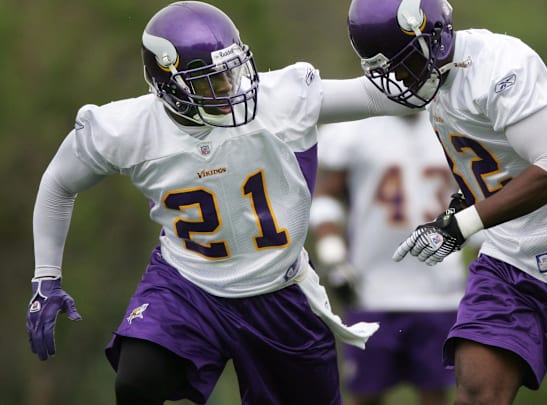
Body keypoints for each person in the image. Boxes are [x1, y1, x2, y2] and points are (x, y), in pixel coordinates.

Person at [25, 1, 422, 404]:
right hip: (188, 284)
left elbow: (385, 97)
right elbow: (59, 183)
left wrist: (437, 54)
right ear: (168, 86)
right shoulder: (124, 130)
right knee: (137, 382)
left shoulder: (281, 98)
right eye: (209, 82)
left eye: (231, 72)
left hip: (278, 289)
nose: (230, 89)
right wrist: (46, 277)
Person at [346, 0, 547, 404]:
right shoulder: (429, 77)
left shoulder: (501, 65)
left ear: (433, 37)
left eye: (403, 63)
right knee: (477, 391)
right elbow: (491, 170)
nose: (399, 78)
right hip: (510, 257)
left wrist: (462, 225)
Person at [310, 111, 467, 405]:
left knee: (437, 395)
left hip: (441, 288)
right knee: (366, 395)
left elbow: (474, 197)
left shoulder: (454, 120)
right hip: (372, 287)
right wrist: (332, 250)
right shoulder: (352, 128)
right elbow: (326, 195)